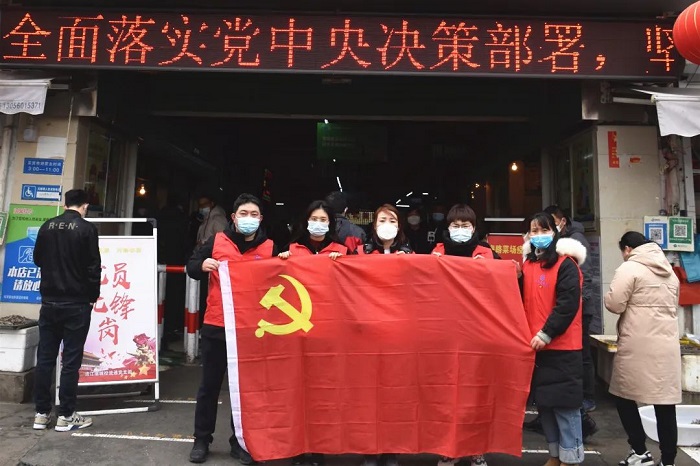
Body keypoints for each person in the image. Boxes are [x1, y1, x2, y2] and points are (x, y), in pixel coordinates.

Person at [186, 193, 277, 464]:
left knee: (247, 390)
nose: (249, 219)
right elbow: (192, 266)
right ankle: (202, 439)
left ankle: (241, 442)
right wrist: (202, 265)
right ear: (234, 218)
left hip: (252, 329)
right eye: (243, 214)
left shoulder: (270, 247)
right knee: (209, 386)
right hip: (217, 325)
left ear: (261, 219)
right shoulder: (217, 241)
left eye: (254, 215)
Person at [605, 232, 681, 466]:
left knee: (623, 396)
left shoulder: (630, 268)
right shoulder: (669, 272)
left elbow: (614, 304)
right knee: (664, 404)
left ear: (627, 249)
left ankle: (640, 451)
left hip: (637, 345)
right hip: (666, 345)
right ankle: (668, 460)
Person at [431, 203, 497, 466]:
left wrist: (487, 271)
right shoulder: (437, 252)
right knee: (446, 396)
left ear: (474, 228)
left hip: (477, 335)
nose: (460, 230)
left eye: (465, 225)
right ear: (447, 228)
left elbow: (502, 288)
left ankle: (476, 449)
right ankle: (448, 449)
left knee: (475, 396)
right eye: (455, 225)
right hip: (445, 334)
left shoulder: (486, 253)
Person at [32, 189, 101, 432]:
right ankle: (66, 415)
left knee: (45, 359)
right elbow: (94, 267)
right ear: (85, 206)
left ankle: (41, 413)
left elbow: (37, 259)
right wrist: (92, 297)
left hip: (49, 301)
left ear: (65, 204)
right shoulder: (87, 229)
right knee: (71, 361)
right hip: (76, 303)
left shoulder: (47, 226)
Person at [521, 212, 586, 466]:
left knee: (565, 407)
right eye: (534, 231)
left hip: (562, 347)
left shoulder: (566, 264)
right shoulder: (528, 265)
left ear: (555, 232)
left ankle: (571, 457)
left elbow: (567, 305)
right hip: (536, 347)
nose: (539, 236)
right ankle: (555, 456)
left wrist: (546, 333)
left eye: (544, 230)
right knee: (545, 406)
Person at [544, 205, 597, 413]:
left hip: (579, 308)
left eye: (552, 222)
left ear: (562, 221)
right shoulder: (560, 241)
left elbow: (585, 276)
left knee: (581, 353)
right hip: (568, 308)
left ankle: (588, 396)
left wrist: (577, 304)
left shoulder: (576, 241)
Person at [279, 200, 348, 261]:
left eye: (323, 220)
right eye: (314, 219)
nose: (318, 223)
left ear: (330, 222)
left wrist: (342, 260)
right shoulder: (293, 249)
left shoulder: (340, 250)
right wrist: (284, 259)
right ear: (307, 220)